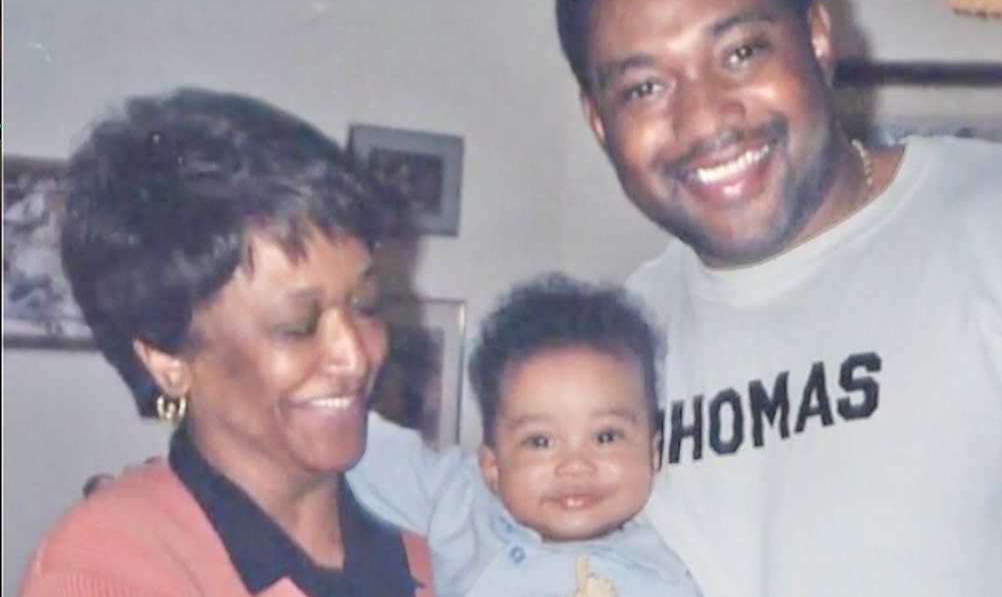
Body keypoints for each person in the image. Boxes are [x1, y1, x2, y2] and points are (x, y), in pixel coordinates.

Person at [550, 0, 1002, 595]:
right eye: (644, 88)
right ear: (599, 121)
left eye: (741, 51)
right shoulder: (615, 353)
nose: (706, 119)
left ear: (818, 38)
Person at [17, 88, 431, 596]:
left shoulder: (433, 535)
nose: (355, 354)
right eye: (297, 325)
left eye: (366, 302)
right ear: (167, 359)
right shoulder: (104, 570)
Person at [350, 274, 700, 596]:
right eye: (540, 441)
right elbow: (364, 448)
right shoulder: (463, 503)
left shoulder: (669, 573)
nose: (575, 465)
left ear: (652, 453)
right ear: (492, 467)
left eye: (606, 436)